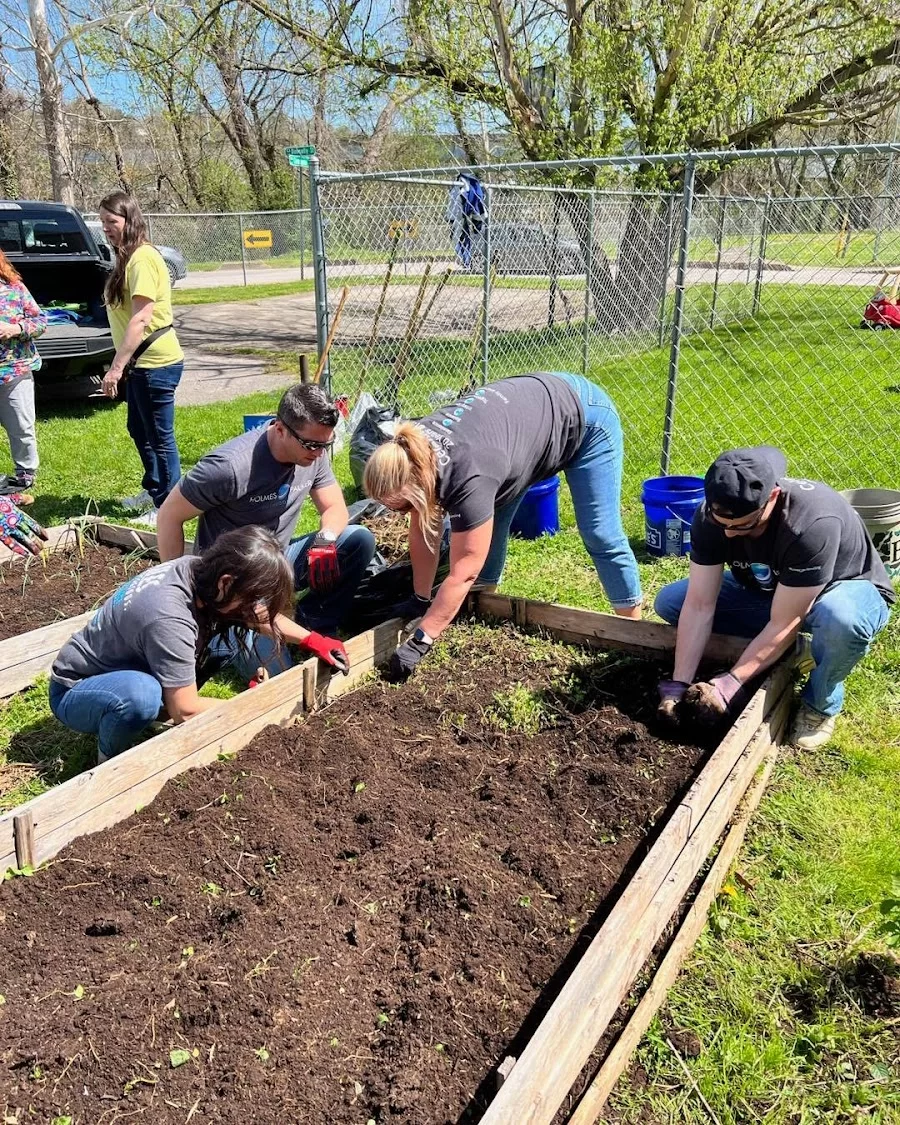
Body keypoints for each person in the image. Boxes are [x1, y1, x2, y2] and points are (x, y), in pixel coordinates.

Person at [362, 371, 643, 680]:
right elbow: (423, 526)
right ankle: (486, 599)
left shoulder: (470, 477)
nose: (402, 514)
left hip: (584, 416)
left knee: (600, 532)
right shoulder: (410, 451)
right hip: (523, 425)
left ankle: (633, 632)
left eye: (402, 506)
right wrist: (420, 598)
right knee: (483, 524)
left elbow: (464, 568)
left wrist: (422, 639)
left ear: (418, 484)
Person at [654, 446, 895, 749]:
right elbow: (700, 603)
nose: (729, 535)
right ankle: (797, 649)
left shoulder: (811, 524)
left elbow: (786, 619)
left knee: (840, 623)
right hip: (771, 587)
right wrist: (680, 684)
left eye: (743, 526)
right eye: (722, 525)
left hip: (842, 590)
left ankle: (819, 705)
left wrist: (731, 683)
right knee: (671, 602)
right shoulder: (709, 516)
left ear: (772, 497)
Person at [156, 383, 376, 678]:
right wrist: (180, 593)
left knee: (357, 540)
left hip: (278, 562)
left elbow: (335, 507)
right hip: (234, 585)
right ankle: (229, 633)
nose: (320, 453)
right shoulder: (230, 468)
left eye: (327, 444)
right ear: (281, 429)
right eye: (312, 445)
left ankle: (313, 623)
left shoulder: (314, 454)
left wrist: (325, 539)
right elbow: (169, 515)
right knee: (281, 673)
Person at [49, 526, 294, 764]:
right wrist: (253, 705)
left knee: (222, 642)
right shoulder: (169, 615)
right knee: (141, 696)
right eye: (250, 598)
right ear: (226, 583)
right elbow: (186, 711)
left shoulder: (196, 570)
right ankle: (110, 762)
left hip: (128, 667)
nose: (251, 608)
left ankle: (157, 709)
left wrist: (314, 641)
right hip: (77, 689)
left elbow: (260, 616)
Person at [98, 191, 184, 527]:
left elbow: (141, 318)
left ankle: (168, 506)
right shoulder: (127, 257)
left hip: (155, 364)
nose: (106, 227)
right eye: (103, 221)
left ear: (129, 220)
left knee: (160, 437)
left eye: (112, 221)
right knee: (139, 429)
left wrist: (115, 369)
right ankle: (155, 489)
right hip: (141, 365)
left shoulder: (143, 259)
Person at [0, 248, 46, 498]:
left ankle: (25, 475)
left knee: (21, 425)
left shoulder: (14, 289)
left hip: (15, 369)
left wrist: (15, 328)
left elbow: (41, 323)